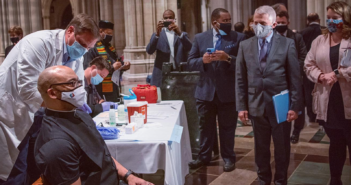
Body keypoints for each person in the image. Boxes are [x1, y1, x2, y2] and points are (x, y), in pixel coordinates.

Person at [0, 13, 100, 182]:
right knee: (17, 170)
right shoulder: (38, 43)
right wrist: (64, 105)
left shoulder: (77, 53)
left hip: (40, 113)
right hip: (13, 111)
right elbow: (28, 90)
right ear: (70, 31)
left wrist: (79, 105)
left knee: (35, 168)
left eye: (89, 48)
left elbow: (77, 86)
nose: (84, 50)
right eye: (82, 44)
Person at [34, 65, 153, 185]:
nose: (80, 88)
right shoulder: (56, 144)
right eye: (72, 84)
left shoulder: (81, 115)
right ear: (53, 93)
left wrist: (128, 175)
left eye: (79, 82)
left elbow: (101, 154)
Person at [236, 5, 302, 184]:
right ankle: (263, 180)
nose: (257, 26)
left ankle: (280, 181)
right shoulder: (245, 45)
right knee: (260, 148)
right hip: (256, 104)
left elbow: (295, 78)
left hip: (280, 105)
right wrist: (241, 106)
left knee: (282, 149)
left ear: (273, 24)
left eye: (262, 23)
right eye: (255, 23)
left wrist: (295, 106)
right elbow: (241, 78)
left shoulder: (287, 44)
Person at [187, 8, 245, 172]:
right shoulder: (200, 38)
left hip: (227, 92)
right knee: (205, 127)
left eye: (229, 20)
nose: (228, 23)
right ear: (215, 23)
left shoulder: (238, 37)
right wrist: (202, 60)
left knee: (228, 128)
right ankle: (204, 157)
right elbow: (190, 62)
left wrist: (227, 58)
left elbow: (244, 63)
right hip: (205, 92)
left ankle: (228, 158)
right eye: (224, 21)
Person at [304, 2, 351, 184]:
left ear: (345, 18)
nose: (330, 21)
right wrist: (321, 76)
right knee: (336, 142)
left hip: (347, 97)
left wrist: (338, 74)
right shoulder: (319, 41)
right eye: (328, 17)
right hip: (329, 100)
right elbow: (308, 65)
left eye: (335, 17)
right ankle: (335, 179)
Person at [275, 10, 308, 144]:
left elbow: (303, 56)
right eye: (278, 22)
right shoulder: (271, 36)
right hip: (278, 78)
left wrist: (292, 68)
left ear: (288, 22)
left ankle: (296, 131)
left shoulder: (296, 37)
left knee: (297, 105)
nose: (281, 25)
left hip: (294, 77)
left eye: (283, 22)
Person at [84, 20, 130, 102]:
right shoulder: (92, 48)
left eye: (111, 33)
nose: (110, 35)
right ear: (100, 31)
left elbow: (116, 61)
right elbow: (89, 69)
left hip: (113, 86)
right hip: (101, 88)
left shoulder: (110, 47)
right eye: (108, 33)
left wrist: (124, 65)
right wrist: (112, 67)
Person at [146, 9, 192, 87]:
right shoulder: (157, 35)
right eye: (165, 18)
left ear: (174, 20)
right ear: (163, 20)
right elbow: (149, 51)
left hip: (179, 72)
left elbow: (190, 48)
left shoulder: (182, 34)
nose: (168, 20)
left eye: (170, 17)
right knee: (163, 98)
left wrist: (179, 33)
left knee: (179, 97)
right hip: (162, 72)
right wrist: (157, 34)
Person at [300, 13, 322, 123]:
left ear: (307, 21)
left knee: (309, 91)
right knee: (322, 90)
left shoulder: (303, 32)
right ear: (319, 19)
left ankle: (311, 115)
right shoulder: (324, 31)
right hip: (323, 65)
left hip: (308, 65)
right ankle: (321, 114)